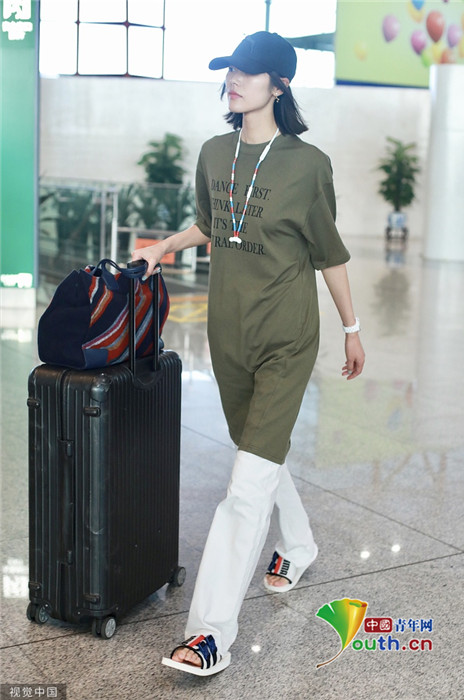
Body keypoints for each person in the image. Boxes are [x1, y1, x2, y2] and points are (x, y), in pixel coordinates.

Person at [132, 31, 365, 676]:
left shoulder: (309, 165)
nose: (233, 80)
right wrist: (164, 247)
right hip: (229, 336)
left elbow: (329, 253)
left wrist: (352, 327)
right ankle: (299, 544)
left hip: (287, 338)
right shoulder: (215, 152)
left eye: (248, 72)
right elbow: (211, 224)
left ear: (280, 84)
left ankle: (209, 634)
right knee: (256, 456)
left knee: (244, 486)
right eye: (230, 69)